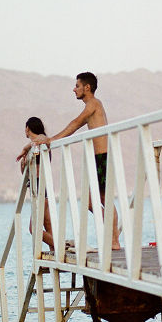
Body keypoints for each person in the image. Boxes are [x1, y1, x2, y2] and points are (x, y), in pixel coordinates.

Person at [19, 72, 120, 250]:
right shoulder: (93, 105)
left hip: (102, 158)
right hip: (100, 158)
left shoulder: (93, 104)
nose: (74, 89)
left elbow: (75, 124)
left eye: (77, 86)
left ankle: (113, 241)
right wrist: (29, 147)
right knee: (99, 199)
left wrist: (51, 140)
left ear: (87, 87)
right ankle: (113, 241)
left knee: (98, 200)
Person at [19, 117, 54, 250]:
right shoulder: (36, 144)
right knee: (47, 223)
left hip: (40, 187)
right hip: (40, 187)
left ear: (28, 128)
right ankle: (55, 250)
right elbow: (27, 172)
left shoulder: (40, 142)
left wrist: (25, 150)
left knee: (33, 228)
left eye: (25, 128)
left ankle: (61, 246)